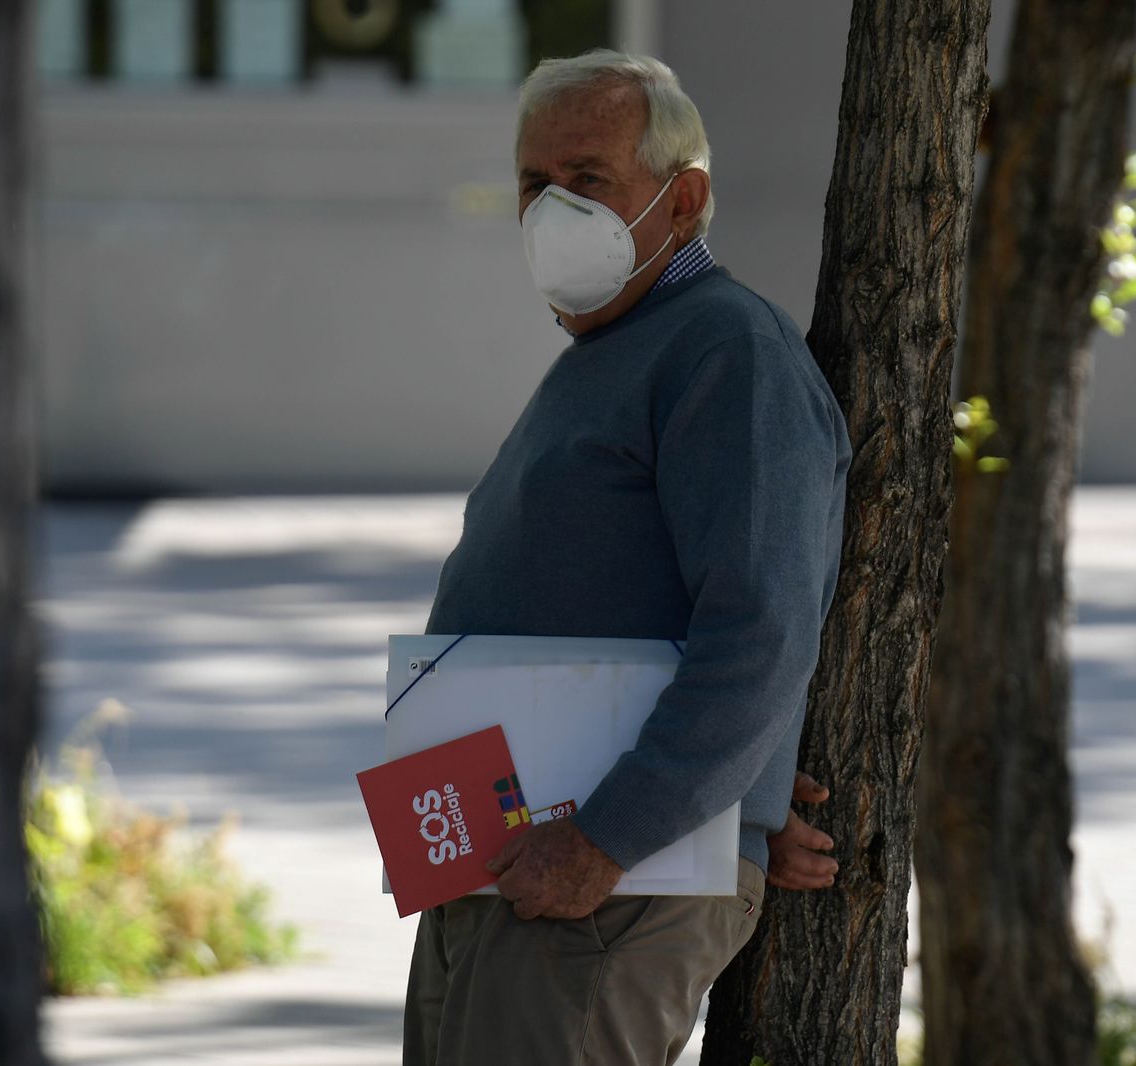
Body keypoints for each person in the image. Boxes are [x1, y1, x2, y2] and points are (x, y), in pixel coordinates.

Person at [403, 49, 851, 1066]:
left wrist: (621, 832)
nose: (552, 209)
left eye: (589, 178)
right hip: (517, 865)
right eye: (534, 182)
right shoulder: (616, 348)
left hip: (599, 878)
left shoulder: (727, 348)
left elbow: (761, 624)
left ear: (680, 200)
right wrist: (733, 797)